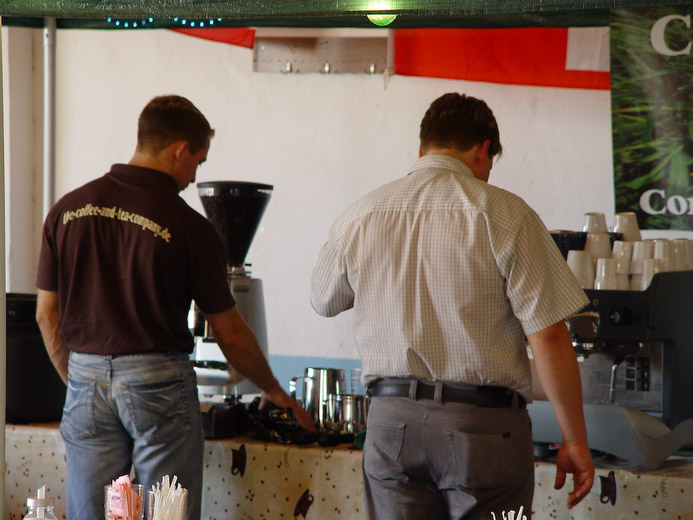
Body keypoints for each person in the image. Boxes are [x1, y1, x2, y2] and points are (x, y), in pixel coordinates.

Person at [310, 92, 594, 519]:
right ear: (483, 151)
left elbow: (323, 300)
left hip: (390, 425)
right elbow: (549, 334)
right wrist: (574, 440)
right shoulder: (505, 214)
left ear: (422, 150)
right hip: (483, 430)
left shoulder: (360, 214)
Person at [35, 95, 316, 520]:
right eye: (198, 162)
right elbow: (229, 333)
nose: (193, 176)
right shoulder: (190, 226)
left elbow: (46, 314)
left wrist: (81, 381)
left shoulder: (66, 210)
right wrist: (273, 389)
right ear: (181, 150)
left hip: (86, 379)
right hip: (158, 385)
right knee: (165, 514)